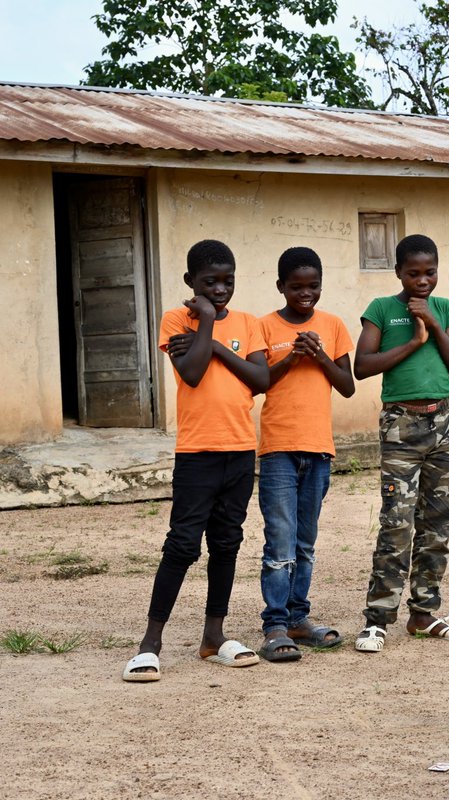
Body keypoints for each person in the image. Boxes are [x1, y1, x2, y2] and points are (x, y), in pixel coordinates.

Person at [122, 239, 269, 682]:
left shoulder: (249, 323)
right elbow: (191, 372)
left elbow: (261, 379)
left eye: (228, 281)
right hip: (197, 454)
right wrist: (205, 321)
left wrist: (220, 345)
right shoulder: (175, 320)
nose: (220, 290)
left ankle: (214, 637)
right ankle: (150, 644)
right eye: (210, 282)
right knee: (183, 545)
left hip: (240, 451)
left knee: (227, 543)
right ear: (190, 282)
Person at [353, 234, 449, 653]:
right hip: (401, 425)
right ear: (399, 272)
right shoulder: (382, 310)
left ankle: (424, 613)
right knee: (397, 523)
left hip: (443, 423)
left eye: (430, 273)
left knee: (438, 523)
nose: (423, 281)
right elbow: (362, 366)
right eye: (414, 273)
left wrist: (436, 325)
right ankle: (377, 618)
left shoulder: (445, 310)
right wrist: (413, 342)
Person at [255, 247, 355, 662]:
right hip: (278, 446)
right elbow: (260, 381)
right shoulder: (263, 326)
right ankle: (275, 624)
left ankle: (299, 617)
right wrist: (292, 356)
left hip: (318, 449)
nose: (305, 293)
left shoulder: (332, 326)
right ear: (281, 286)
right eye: (296, 286)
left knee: (306, 542)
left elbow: (347, 385)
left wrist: (318, 355)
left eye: (313, 285)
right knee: (280, 541)